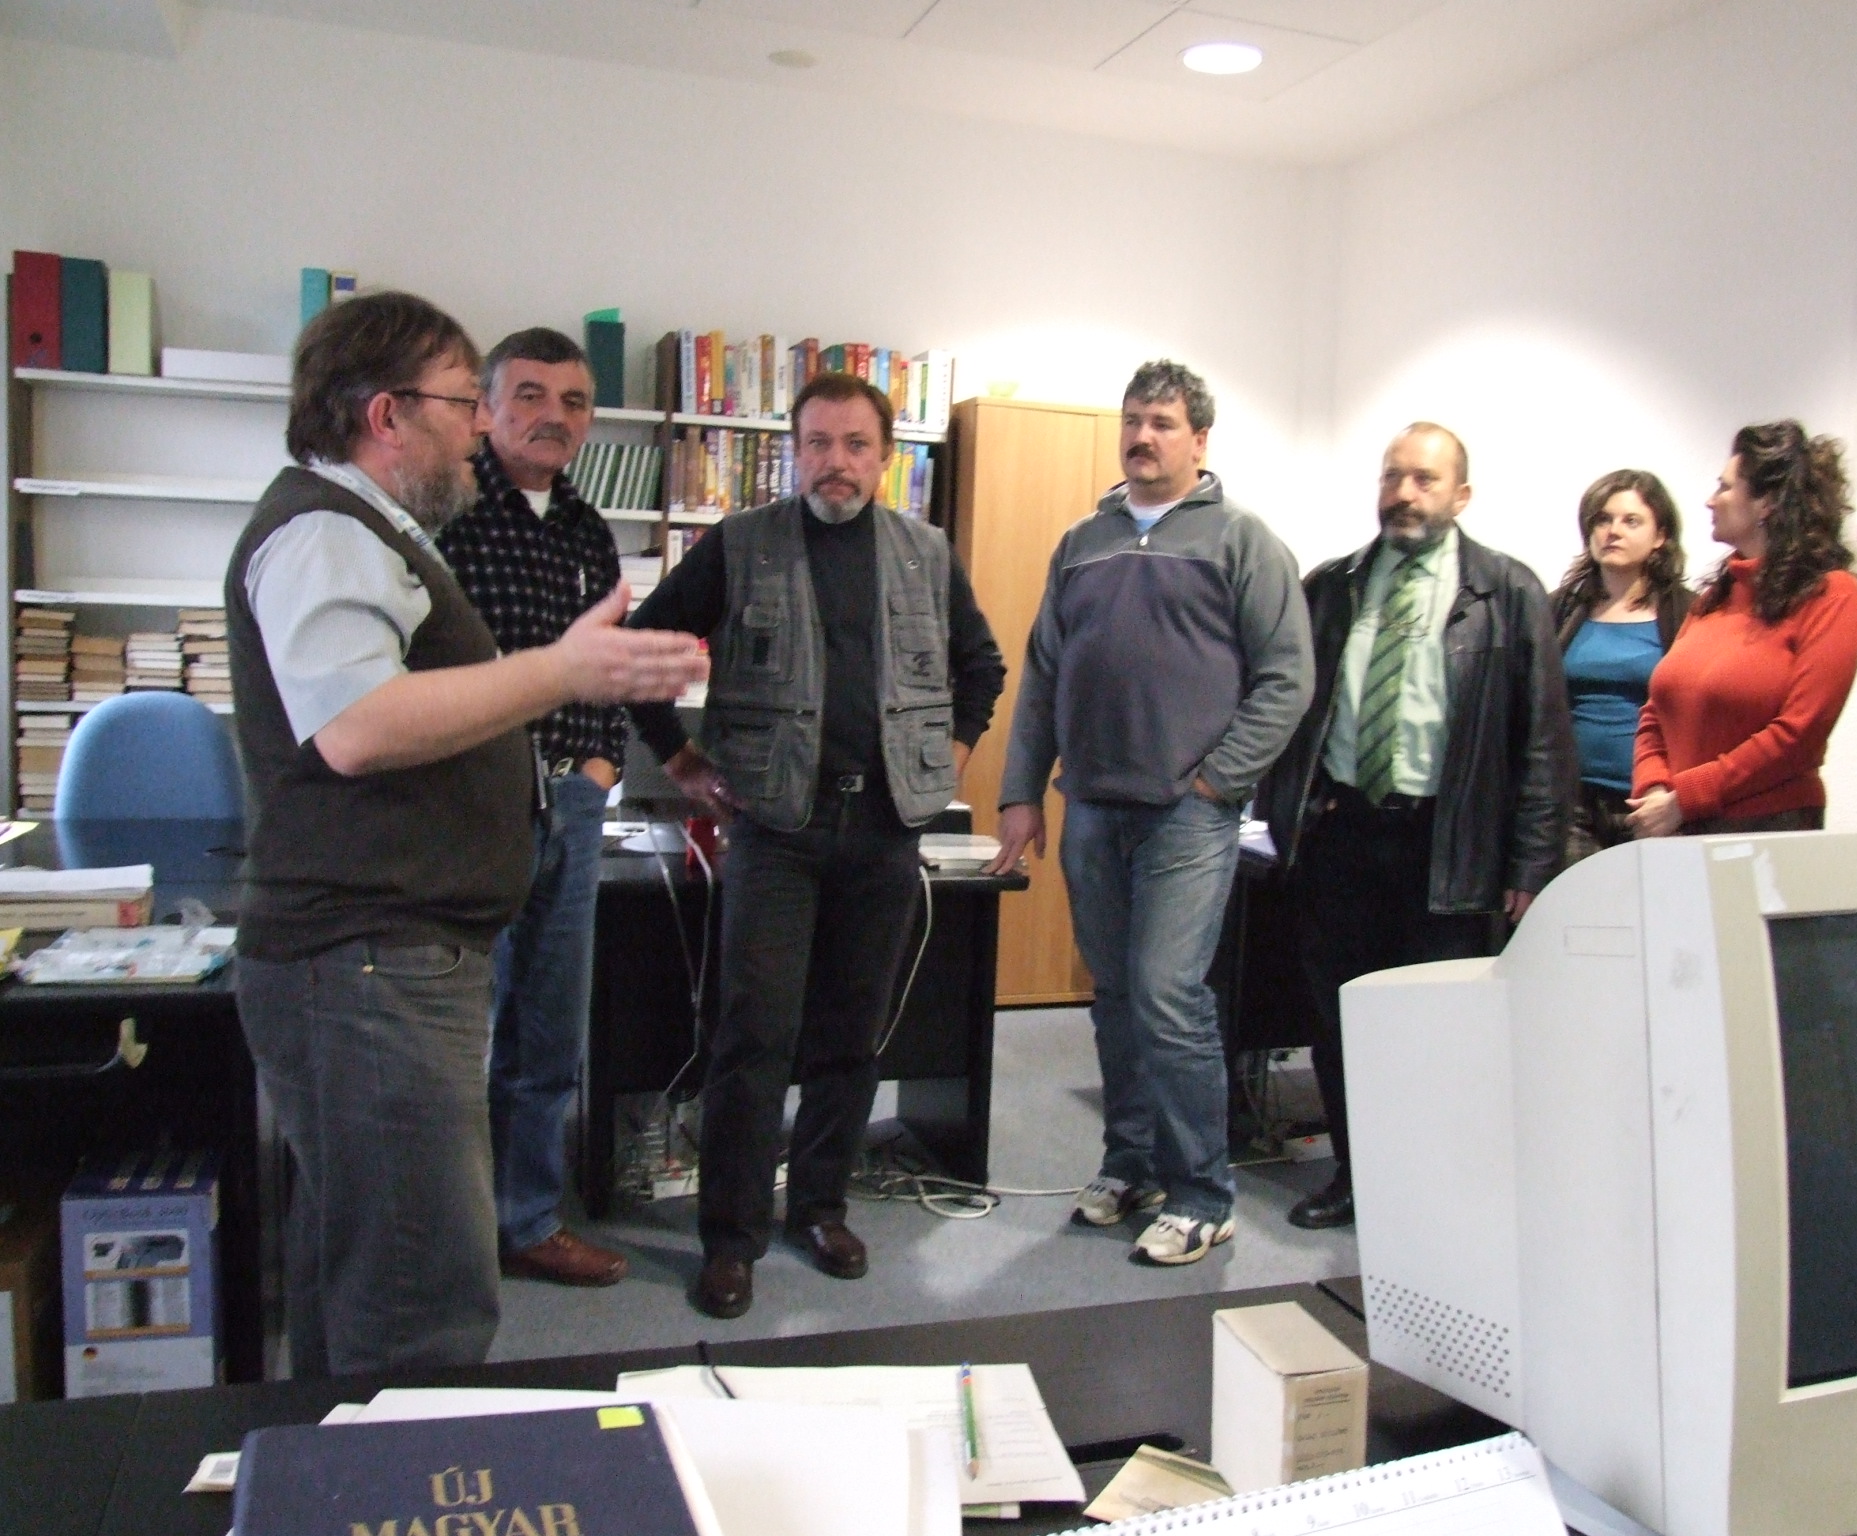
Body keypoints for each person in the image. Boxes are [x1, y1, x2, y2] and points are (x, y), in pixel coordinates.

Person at [227, 291, 707, 1376]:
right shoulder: (322, 532)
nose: (477, 427)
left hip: (385, 956)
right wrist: (563, 671)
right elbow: (358, 728)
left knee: (367, 1260)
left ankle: (339, 1455)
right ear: (387, 414)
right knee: (421, 1291)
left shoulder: (367, 530)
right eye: (462, 402)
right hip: (366, 963)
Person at [627, 371, 1004, 1320]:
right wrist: (678, 759)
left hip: (883, 831)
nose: (836, 462)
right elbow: (641, 648)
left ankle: (822, 1208)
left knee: (851, 1034)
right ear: (795, 452)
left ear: (885, 457)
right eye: (818, 444)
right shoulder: (740, 545)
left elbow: (982, 666)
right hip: (774, 830)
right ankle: (732, 1238)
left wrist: (948, 759)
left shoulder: (925, 553)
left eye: (855, 444)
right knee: (754, 1035)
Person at [990, 360, 1311, 1267]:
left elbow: (1288, 678)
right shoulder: (1081, 543)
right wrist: (1020, 792)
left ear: (1199, 440)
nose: (1142, 436)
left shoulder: (1243, 542)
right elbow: (1043, 674)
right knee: (1118, 997)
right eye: (1133, 420)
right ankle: (1130, 1163)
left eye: (1163, 423)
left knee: (1170, 997)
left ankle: (1203, 1194)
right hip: (1092, 805)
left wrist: (1219, 780)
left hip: (1186, 816)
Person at [1263, 423, 1573, 1231]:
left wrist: (1531, 866)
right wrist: (1289, 817)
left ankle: (1433, 1194)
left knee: (1440, 1035)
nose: (1404, 494)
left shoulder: (1507, 593)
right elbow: (1291, 707)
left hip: (1447, 847)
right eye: (1392, 476)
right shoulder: (1333, 586)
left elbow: (1543, 740)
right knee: (1342, 1023)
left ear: (1460, 495)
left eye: (1424, 480)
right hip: (1342, 837)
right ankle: (1355, 1178)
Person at [436, 328, 630, 1288]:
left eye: (574, 402)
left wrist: (602, 764)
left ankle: (528, 1220)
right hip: (471, 806)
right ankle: (453, 1226)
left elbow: (611, 664)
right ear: (485, 406)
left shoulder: (589, 530)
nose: (554, 416)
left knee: (549, 1028)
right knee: (456, 1030)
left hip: (573, 808)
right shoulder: (447, 515)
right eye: (530, 395)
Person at [1629, 421, 1857, 838]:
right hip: (1677, 824)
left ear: (1766, 503)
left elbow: (1800, 734)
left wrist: (1687, 798)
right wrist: (1655, 789)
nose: (1710, 500)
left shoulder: (1831, 595)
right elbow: (1655, 712)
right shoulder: (1714, 599)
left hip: (1766, 830)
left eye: (1724, 487)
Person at [1550, 470, 1692, 863]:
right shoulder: (1559, 610)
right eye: (1603, 519)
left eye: (1631, 521)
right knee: (1577, 902)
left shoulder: (1688, 614)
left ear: (1660, 535)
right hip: (1573, 804)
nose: (1613, 531)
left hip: (1652, 805)